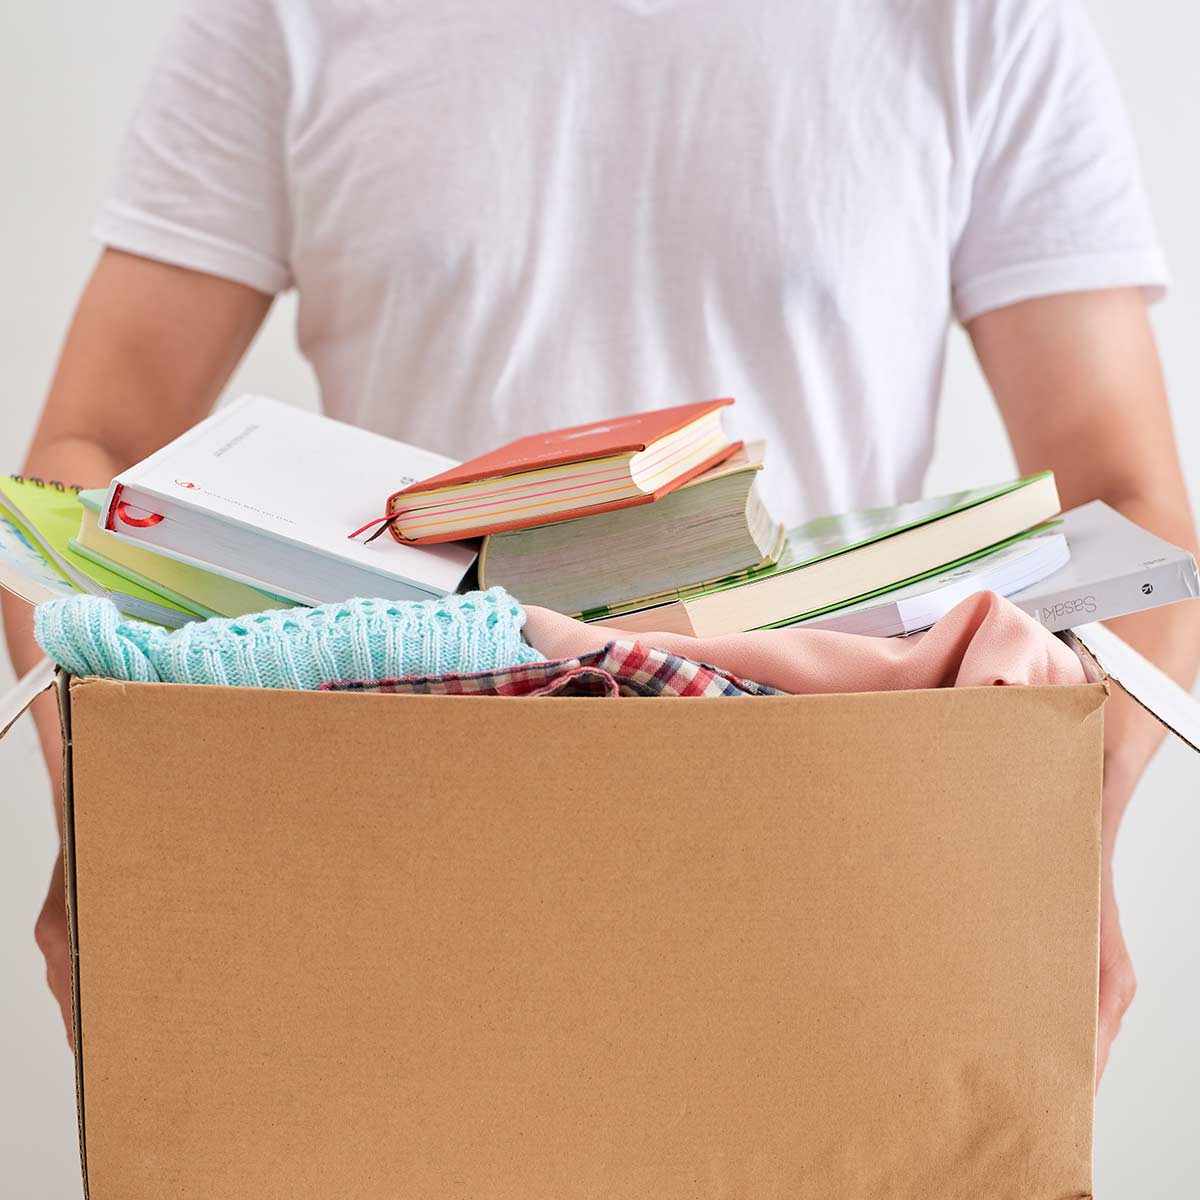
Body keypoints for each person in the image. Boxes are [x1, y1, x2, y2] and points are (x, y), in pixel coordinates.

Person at [5, 0, 1199, 1084]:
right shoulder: (281, 19)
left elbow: (1123, 495)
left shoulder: (983, 22)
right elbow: (87, 453)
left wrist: (1055, 836)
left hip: (830, 853)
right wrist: (112, 806)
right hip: (382, 840)